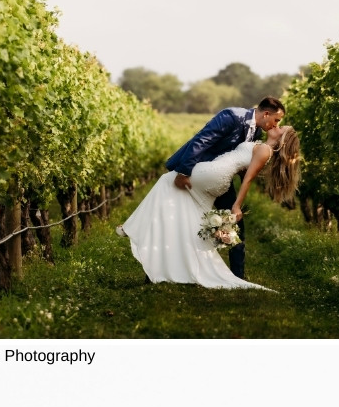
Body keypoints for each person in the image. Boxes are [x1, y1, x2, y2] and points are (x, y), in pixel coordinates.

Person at [120, 103, 298, 288]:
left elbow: (247, 171)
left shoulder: (259, 136)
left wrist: (237, 201)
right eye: (276, 120)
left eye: (279, 124)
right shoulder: (232, 116)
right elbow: (202, 140)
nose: (276, 125)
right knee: (181, 212)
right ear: (266, 114)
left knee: (169, 192)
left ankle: (237, 275)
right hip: (205, 171)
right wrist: (184, 171)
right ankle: (158, 267)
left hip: (215, 177)